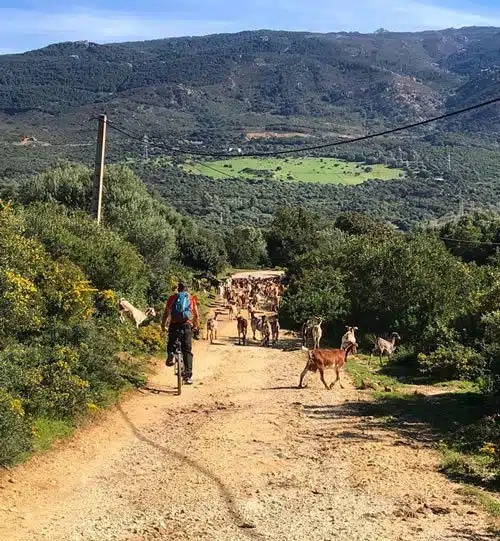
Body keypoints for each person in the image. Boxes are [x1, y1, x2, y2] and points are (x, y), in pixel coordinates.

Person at [161, 281, 199, 385]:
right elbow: (196, 315)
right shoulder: (190, 298)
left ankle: (170, 354)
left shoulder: (172, 298)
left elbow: (166, 313)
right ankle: (188, 376)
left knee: (171, 342)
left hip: (174, 325)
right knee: (187, 350)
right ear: (187, 289)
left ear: (178, 289)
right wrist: (195, 326)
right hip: (186, 325)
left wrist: (163, 325)